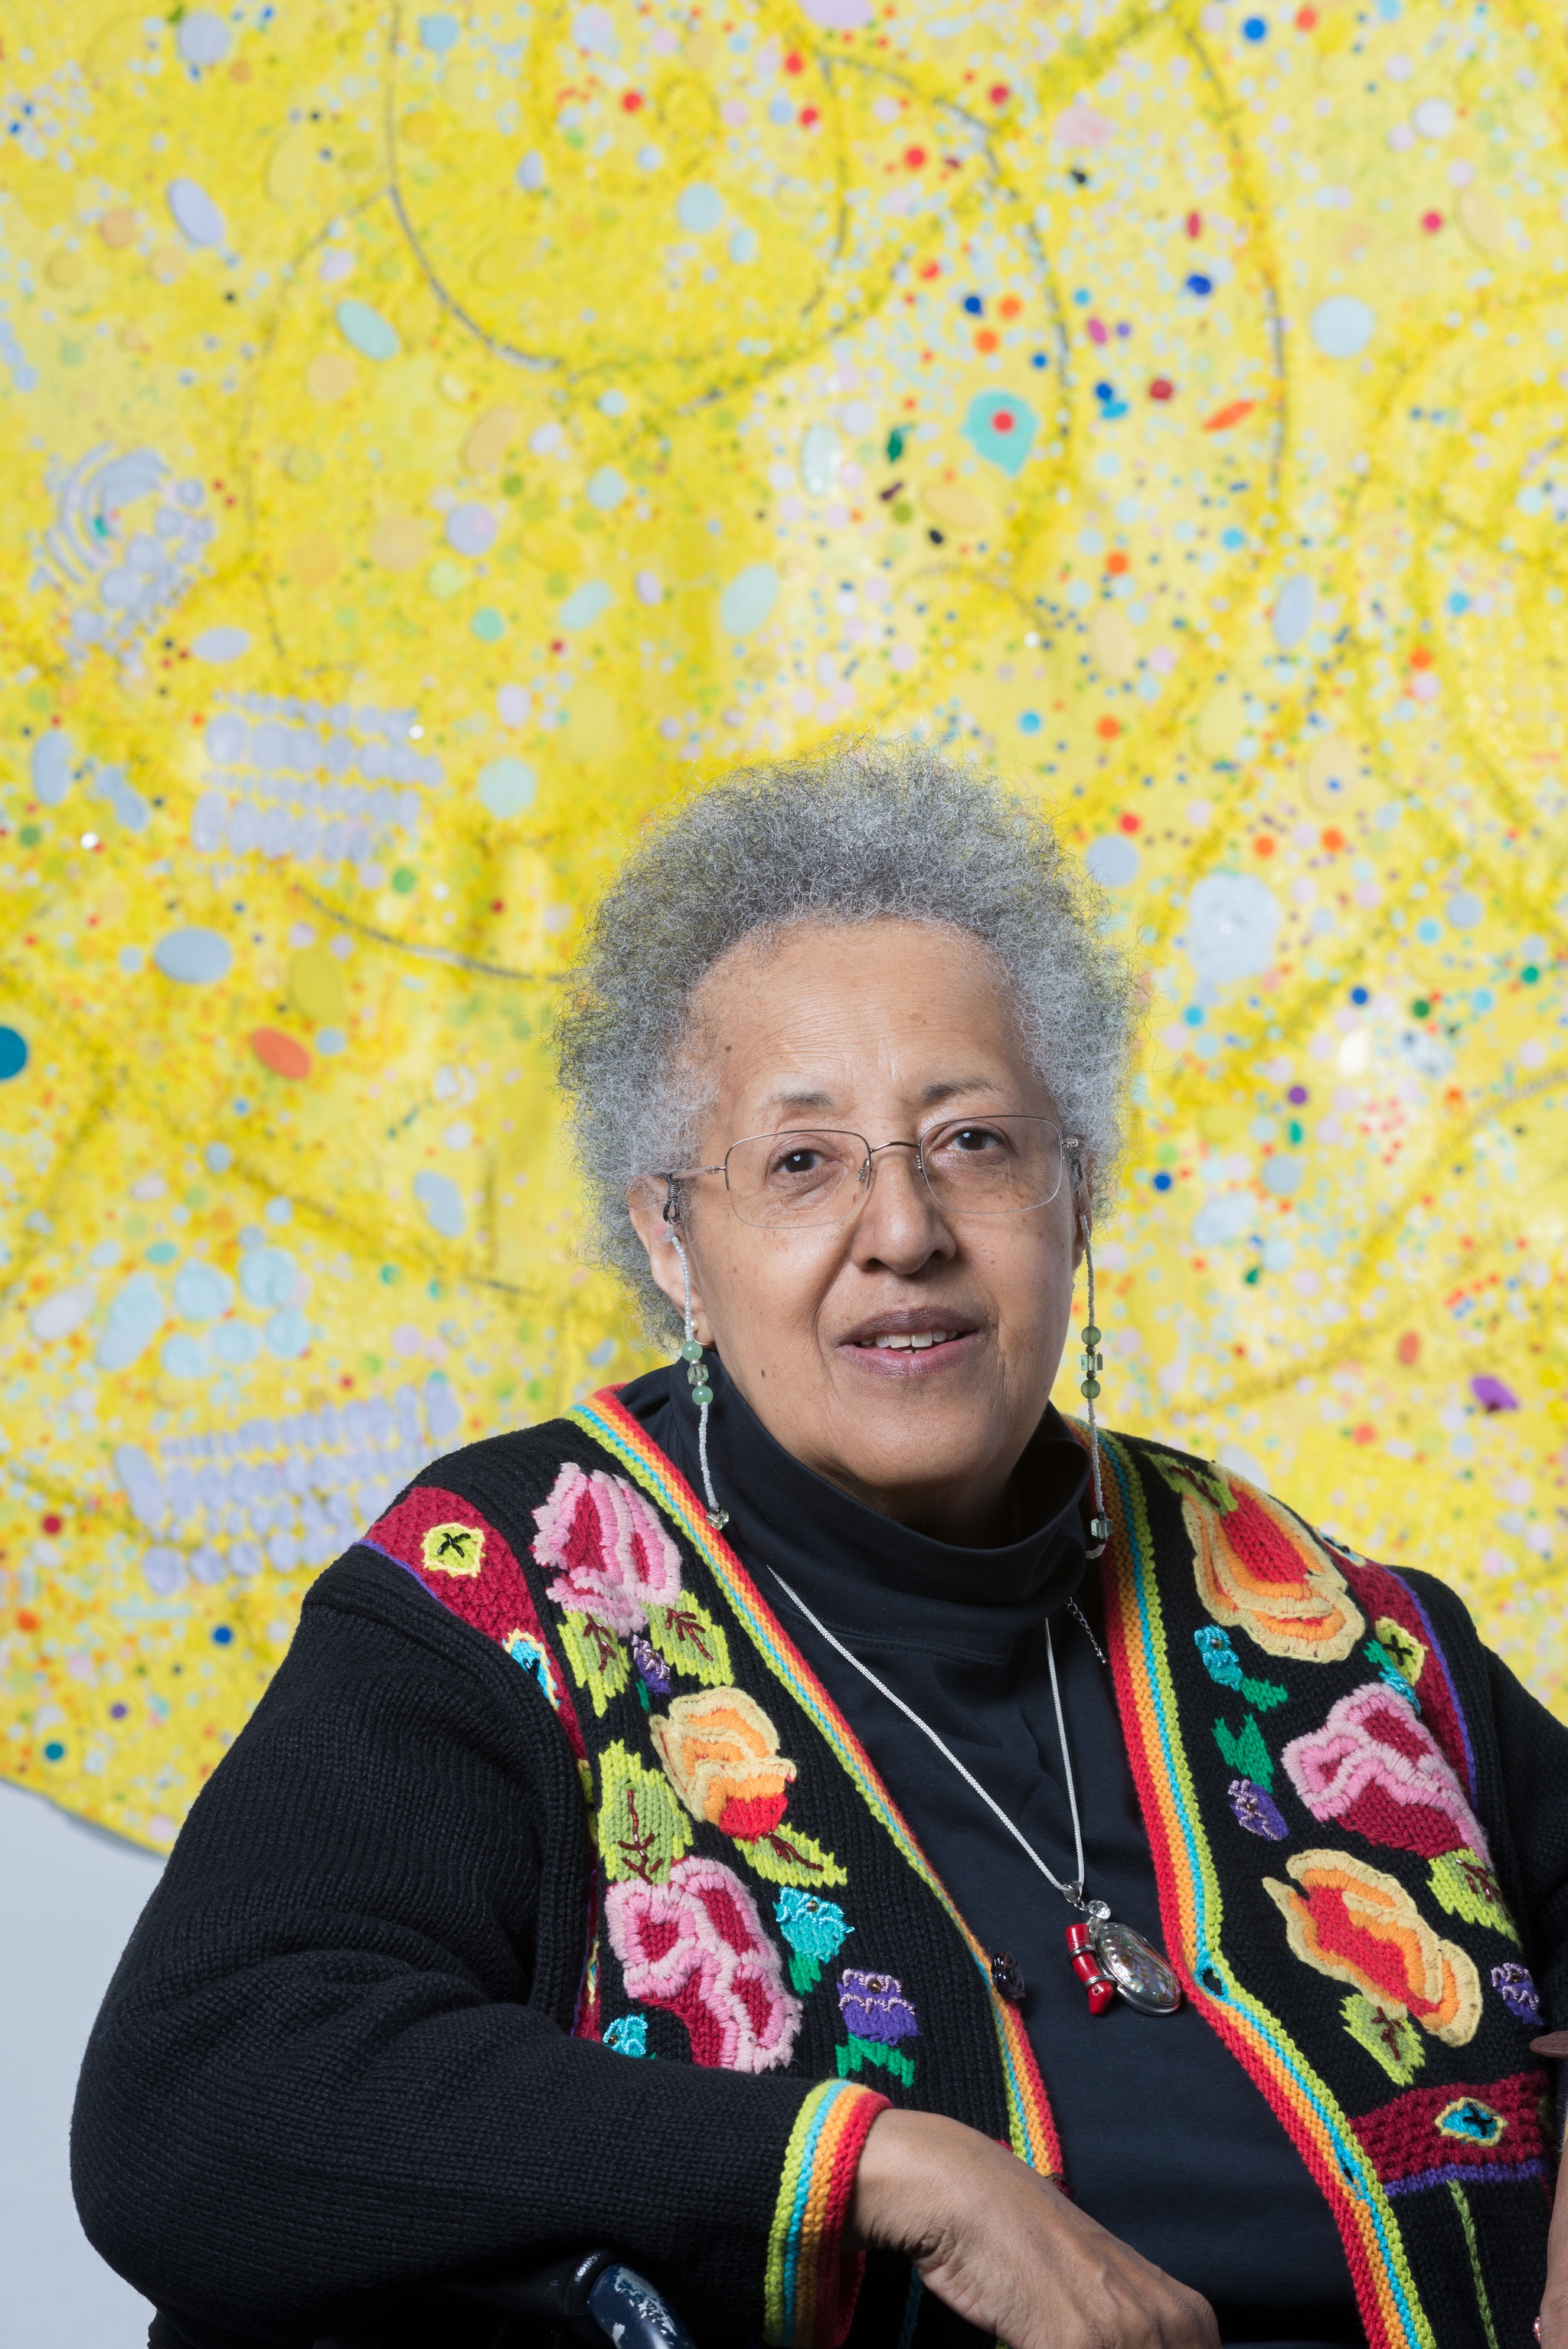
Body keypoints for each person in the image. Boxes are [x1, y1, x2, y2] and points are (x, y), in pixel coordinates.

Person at [74, 747, 1566, 2349]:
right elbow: (205, 2093)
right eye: (801, 1162)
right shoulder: (514, 1586)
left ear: (1076, 1195)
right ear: (671, 1237)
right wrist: (878, 2167)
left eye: (975, 1141)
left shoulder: (1334, 1629)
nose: (905, 1228)